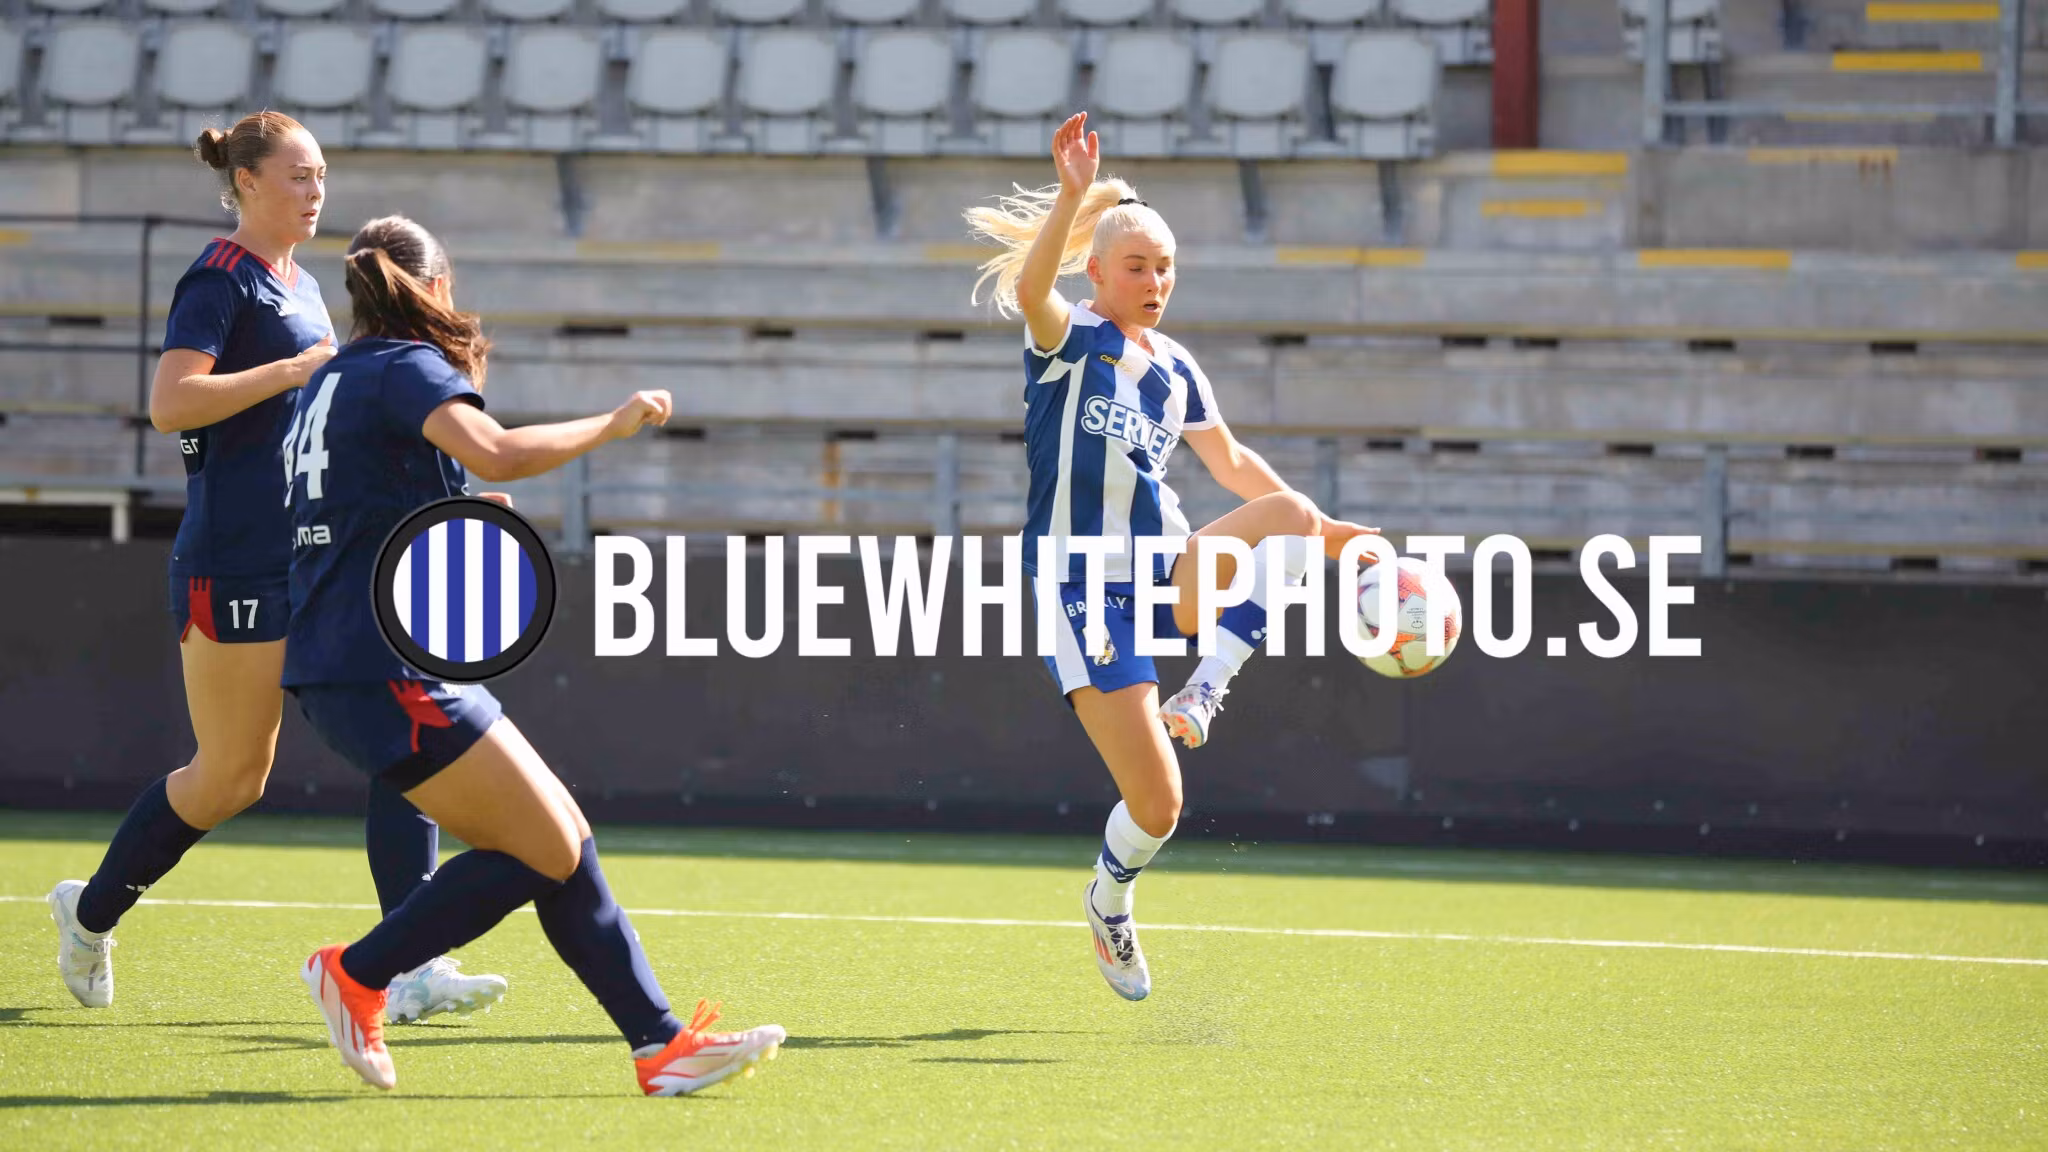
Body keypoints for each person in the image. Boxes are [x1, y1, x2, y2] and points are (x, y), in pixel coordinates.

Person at [285, 215, 784, 1094]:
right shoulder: (409, 367)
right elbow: (499, 448)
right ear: (432, 288)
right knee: (541, 846)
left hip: (356, 656)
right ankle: (359, 972)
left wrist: (468, 511)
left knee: (563, 840)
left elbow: (371, 504)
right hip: (383, 661)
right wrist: (614, 424)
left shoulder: (334, 378)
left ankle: (660, 1045)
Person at [45, 112, 506, 1026]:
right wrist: (291, 372)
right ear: (247, 181)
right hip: (235, 563)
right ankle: (89, 912)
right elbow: (171, 404)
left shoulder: (296, 284)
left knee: (399, 735)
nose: (316, 192)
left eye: (323, 175)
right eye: (298, 176)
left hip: (318, 556)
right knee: (231, 779)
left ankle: (408, 963)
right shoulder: (220, 279)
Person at [964, 112, 1379, 1001]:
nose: (1156, 281)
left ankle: (1206, 688)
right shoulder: (1069, 339)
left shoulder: (1176, 367)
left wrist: (1330, 533)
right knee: (1160, 806)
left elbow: (1229, 464)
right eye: (1138, 267)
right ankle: (1109, 901)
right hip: (1079, 586)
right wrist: (1072, 193)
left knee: (1293, 513)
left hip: (1167, 565)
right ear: (1097, 272)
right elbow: (1032, 286)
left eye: (1166, 268)